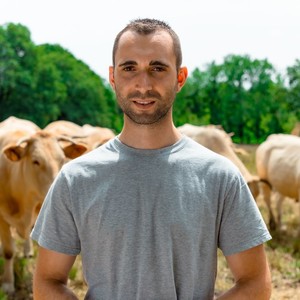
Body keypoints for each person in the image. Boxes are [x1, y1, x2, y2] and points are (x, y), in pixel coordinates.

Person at [31, 18, 272, 299]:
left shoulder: (219, 176)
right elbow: (48, 280)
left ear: (180, 78)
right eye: (129, 68)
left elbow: (255, 282)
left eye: (157, 68)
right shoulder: (75, 178)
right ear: (112, 77)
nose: (143, 84)